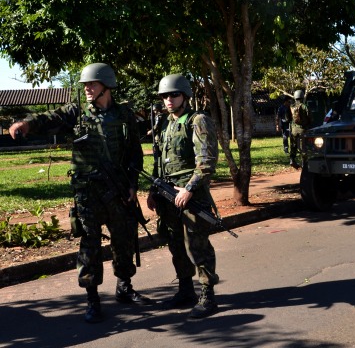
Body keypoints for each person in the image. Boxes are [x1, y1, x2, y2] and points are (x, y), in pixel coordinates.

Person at [9, 63, 149, 323]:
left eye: (92, 84)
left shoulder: (124, 115)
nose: (87, 88)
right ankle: (93, 300)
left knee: (124, 239)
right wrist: (25, 124)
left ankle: (124, 287)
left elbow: (134, 154)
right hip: (88, 192)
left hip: (117, 189)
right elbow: (49, 117)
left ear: (106, 86)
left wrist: (132, 184)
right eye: (85, 84)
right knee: (90, 245)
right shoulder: (77, 112)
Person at [146, 74, 220, 319]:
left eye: (174, 95)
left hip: (190, 194)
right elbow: (159, 162)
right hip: (167, 194)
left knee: (196, 245)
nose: (169, 99)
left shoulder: (197, 121)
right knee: (175, 243)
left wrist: (189, 189)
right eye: (165, 96)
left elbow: (207, 162)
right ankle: (185, 290)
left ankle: (207, 295)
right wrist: (152, 192)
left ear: (185, 96)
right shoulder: (164, 124)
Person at [289, 89, 311, 169]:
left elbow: (288, 118)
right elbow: (310, 117)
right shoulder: (304, 106)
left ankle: (292, 159)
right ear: (302, 96)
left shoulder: (291, 106)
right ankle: (304, 163)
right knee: (303, 147)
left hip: (294, 129)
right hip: (303, 129)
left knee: (293, 145)